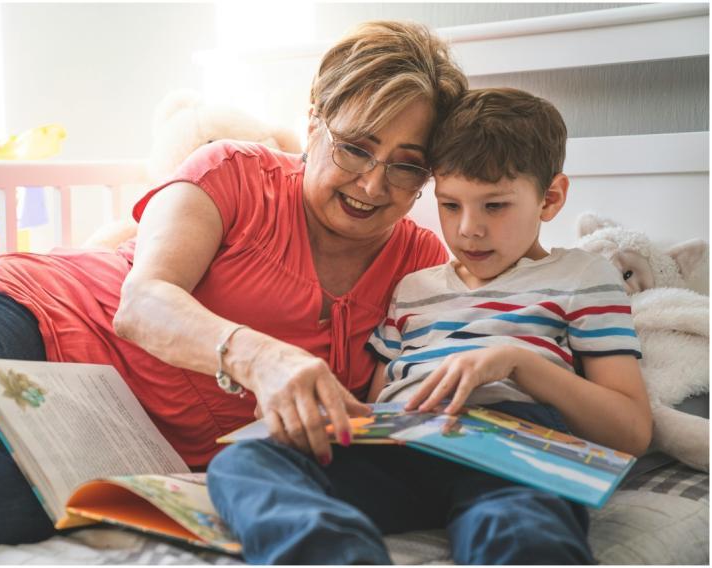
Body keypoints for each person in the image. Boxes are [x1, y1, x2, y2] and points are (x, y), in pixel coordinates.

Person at [0, 21, 467, 546]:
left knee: (2, 505)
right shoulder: (233, 170)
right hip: (38, 312)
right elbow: (142, 303)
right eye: (356, 149)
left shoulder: (422, 267)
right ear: (312, 121)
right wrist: (257, 355)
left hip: (120, 431)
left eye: (406, 164)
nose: (371, 184)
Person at [207, 88, 654, 564]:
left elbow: (630, 431)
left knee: (517, 526)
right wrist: (314, 417)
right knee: (243, 462)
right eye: (450, 205)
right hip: (404, 448)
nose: (468, 229)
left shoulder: (583, 278)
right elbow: (374, 404)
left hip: (513, 454)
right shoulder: (413, 288)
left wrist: (517, 363)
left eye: (495, 206)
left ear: (550, 198)